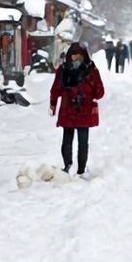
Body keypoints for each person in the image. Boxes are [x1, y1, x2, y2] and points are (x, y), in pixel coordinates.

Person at [49, 42, 105, 176]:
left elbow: (56, 89)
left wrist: (54, 103)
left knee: (71, 140)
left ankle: (72, 167)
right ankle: (76, 168)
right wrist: (53, 104)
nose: (76, 58)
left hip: (72, 110)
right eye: (74, 55)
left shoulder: (64, 69)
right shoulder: (90, 69)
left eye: (77, 55)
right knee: (79, 141)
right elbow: (99, 92)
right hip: (79, 110)